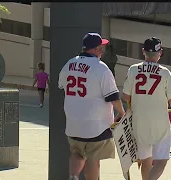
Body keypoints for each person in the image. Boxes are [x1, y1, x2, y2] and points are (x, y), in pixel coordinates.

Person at [58, 32, 125, 180]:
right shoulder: (101, 68)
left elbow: (61, 85)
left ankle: (74, 176)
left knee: (77, 152)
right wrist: (122, 112)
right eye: (101, 47)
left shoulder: (69, 64)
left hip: (73, 122)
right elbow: (113, 97)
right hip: (96, 125)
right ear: (96, 49)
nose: (102, 50)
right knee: (93, 158)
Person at [122, 37, 171, 180]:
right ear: (160, 53)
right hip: (159, 122)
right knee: (161, 160)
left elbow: (125, 96)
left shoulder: (133, 70)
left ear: (143, 51)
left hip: (139, 121)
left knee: (145, 160)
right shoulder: (165, 72)